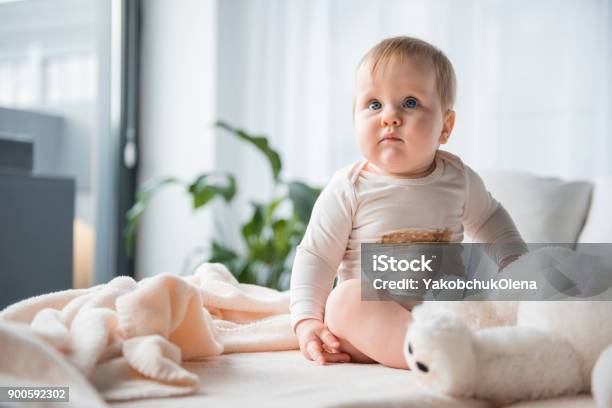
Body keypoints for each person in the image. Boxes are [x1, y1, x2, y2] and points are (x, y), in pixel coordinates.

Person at [289, 36, 528, 369]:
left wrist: (518, 266)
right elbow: (315, 255)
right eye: (374, 105)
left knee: (485, 297)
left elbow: (490, 221)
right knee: (344, 300)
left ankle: (449, 349)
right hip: (368, 328)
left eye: (410, 103)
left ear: (445, 127)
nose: (390, 117)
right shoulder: (349, 188)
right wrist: (306, 321)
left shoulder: (457, 178)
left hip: (443, 312)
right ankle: (433, 356)